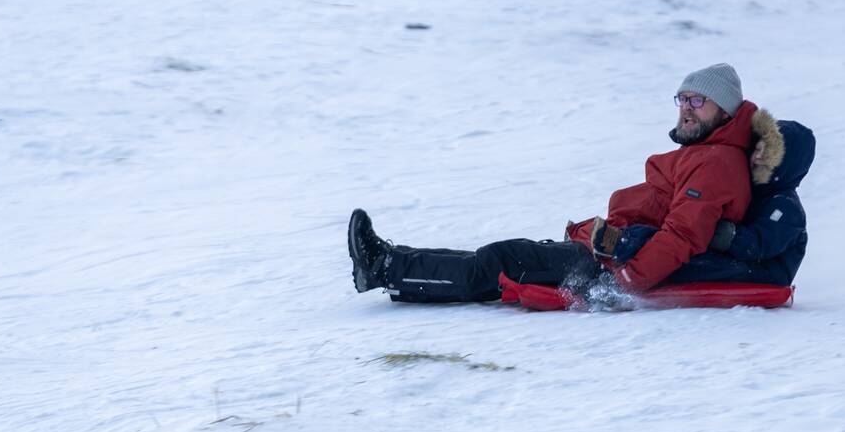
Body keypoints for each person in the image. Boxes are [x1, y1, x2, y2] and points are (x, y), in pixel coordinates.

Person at [348, 63, 761, 303]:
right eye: (682, 99)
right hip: (608, 252)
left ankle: (385, 268)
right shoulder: (710, 153)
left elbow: (683, 234)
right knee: (504, 257)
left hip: (612, 265)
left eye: (697, 101)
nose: (685, 109)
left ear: (724, 110)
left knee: (500, 262)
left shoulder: (716, 164)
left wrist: (625, 282)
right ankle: (393, 260)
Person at [611, 113, 815, 286]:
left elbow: (760, 245)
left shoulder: (786, 207)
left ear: (786, 164)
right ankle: (617, 241)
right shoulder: (750, 188)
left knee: (689, 264)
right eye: (758, 149)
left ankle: (623, 257)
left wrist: (722, 233)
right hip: (736, 259)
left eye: (768, 153)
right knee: (677, 239)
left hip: (764, 273)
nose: (758, 156)